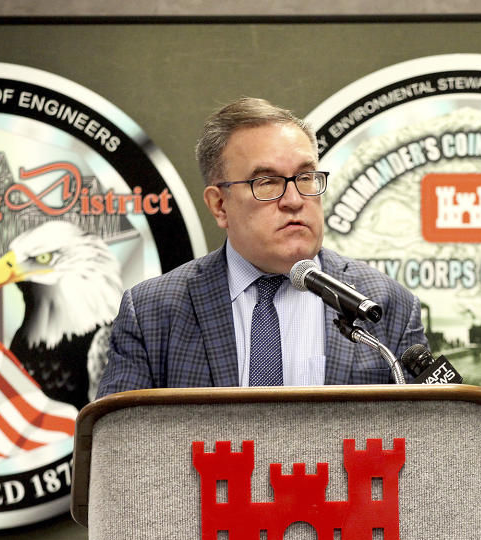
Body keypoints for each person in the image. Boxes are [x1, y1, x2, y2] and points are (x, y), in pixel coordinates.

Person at [97, 97, 427, 397]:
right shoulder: (153, 313)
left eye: (306, 178)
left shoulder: (385, 305)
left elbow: (434, 443)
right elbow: (121, 452)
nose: (295, 200)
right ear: (219, 205)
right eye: (266, 182)